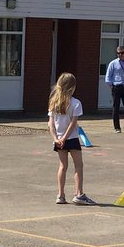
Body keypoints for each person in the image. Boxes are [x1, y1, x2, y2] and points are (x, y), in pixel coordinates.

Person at [47, 73, 95, 205]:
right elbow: (73, 124)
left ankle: (60, 195)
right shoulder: (75, 103)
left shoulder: (54, 102)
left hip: (59, 140)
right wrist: (65, 138)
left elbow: (50, 123)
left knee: (63, 166)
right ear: (72, 87)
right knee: (78, 166)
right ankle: (79, 194)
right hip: (72, 138)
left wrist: (56, 138)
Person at [104, 45, 124, 132]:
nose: (120, 55)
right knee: (116, 108)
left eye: (121, 53)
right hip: (117, 87)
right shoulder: (113, 63)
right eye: (118, 53)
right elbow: (108, 77)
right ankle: (117, 127)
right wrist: (112, 87)